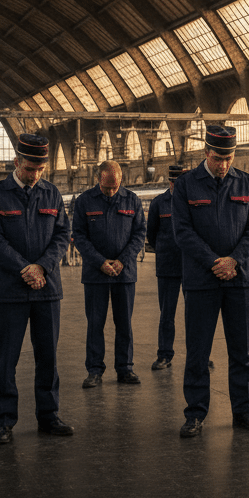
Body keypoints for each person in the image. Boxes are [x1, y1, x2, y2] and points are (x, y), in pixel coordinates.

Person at [170, 126, 249, 438]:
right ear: (205, 153)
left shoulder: (245, 181)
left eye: (228, 158)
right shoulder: (186, 185)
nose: (222, 164)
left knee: (242, 351)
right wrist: (215, 262)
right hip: (202, 281)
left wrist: (234, 260)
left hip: (239, 280)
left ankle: (244, 410)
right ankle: (195, 413)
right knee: (198, 351)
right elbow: (182, 232)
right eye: (216, 158)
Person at [0, 134, 74, 445]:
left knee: (47, 356)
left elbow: (62, 235)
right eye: (30, 168)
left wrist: (42, 267)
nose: (35, 174)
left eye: (40, 169)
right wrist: (25, 268)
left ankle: (49, 415)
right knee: (6, 359)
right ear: (17, 161)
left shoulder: (52, 194)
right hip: (10, 290)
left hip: (47, 289)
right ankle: (4, 422)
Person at [71, 160, 146, 388]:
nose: (111, 192)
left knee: (124, 323)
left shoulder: (132, 200)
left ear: (121, 179)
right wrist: (100, 262)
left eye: (115, 187)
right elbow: (79, 236)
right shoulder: (85, 201)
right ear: (98, 179)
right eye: (107, 188)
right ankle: (94, 370)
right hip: (96, 274)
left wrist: (123, 260)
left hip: (125, 274)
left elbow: (139, 233)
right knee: (95, 323)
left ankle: (125, 369)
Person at [147, 165, 185, 371]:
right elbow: (151, 234)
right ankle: (164, 355)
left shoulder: (192, 201)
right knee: (167, 315)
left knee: (196, 314)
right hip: (167, 266)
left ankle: (200, 355)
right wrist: (164, 249)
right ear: (170, 183)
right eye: (176, 184)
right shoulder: (158, 203)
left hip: (191, 266)